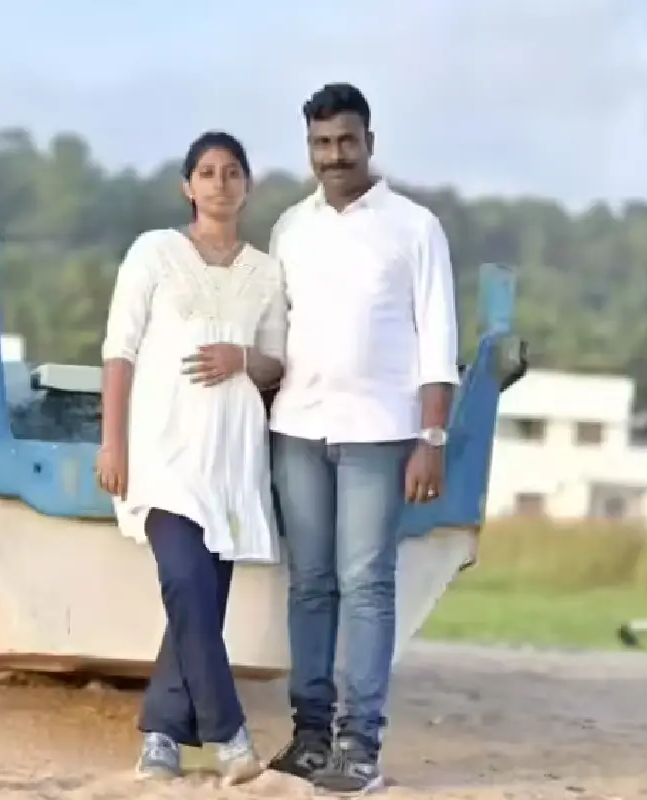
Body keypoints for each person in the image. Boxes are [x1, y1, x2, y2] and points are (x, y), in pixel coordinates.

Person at [265, 83, 460, 794]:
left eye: (346, 141)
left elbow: (439, 340)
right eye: (321, 143)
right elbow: (273, 333)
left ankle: (360, 745)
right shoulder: (290, 227)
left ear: (369, 143)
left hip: (381, 433)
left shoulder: (414, 228)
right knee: (310, 586)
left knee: (367, 586)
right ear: (309, 147)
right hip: (296, 427)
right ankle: (310, 736)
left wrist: (431, 437)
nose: (334, 155)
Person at [95, 131, 287, 786]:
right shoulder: (154, 252)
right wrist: (112, 440)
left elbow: (276, 362)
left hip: (231, 460)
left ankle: (160, 740)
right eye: (207, 172)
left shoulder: (266, 272)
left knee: (198, 604)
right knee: (185, 583)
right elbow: (119, 350)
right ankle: (231, 735)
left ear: (247, 186)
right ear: (188, 185)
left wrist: (243, 360)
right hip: (162, 452)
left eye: (233, 172)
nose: (220, 183)